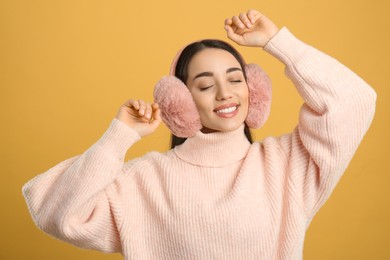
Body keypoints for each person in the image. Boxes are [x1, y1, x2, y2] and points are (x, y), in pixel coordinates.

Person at [22, 9, 376, 260]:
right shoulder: (144, 181)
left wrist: (278, 43)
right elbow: (54, 212)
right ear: (180, 101)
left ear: (255, 89)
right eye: (205, 85)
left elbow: (355, 101)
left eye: (236, 80)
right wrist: (119, 137)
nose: (226, 94)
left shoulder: (287, 166)